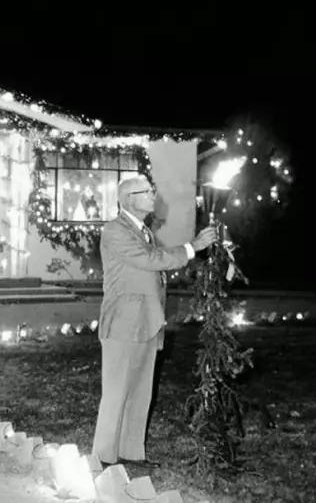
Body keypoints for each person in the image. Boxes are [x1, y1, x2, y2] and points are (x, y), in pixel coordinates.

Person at [91, 175, 217, 470]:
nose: (152, 195)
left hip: (146, 321)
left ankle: (132, 453)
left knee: (139, 391)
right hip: (123, 323)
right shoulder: (115, 230)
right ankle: (105, 458)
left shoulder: (143, 230)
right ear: (128, 199)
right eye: (146, 192)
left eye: (152, 190)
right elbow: (150, 260)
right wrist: (192, 247)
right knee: (116, 392)